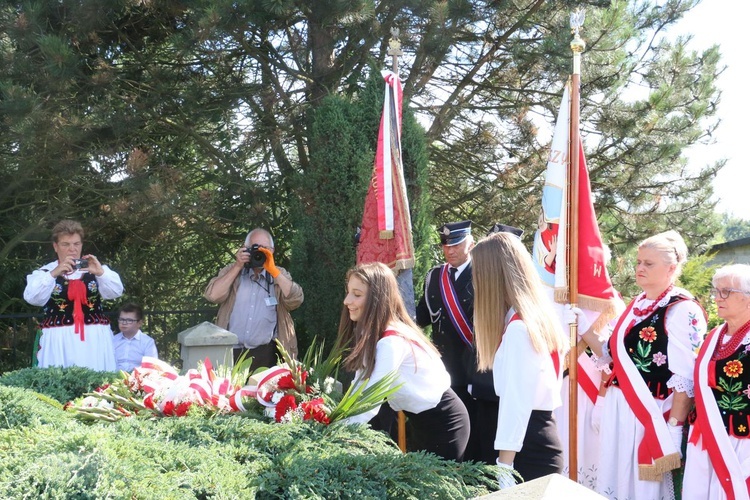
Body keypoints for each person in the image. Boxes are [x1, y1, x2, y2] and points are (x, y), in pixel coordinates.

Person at [596, 230, 706, 499]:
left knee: (640, 487)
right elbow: (614, 355)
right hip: (619, 408)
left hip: (650, 412)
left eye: (649, 263)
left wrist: (673, 428)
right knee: (614, 482)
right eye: (639, 262)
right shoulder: (636, 304)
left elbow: (686, 377)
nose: (640, 268)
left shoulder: (682, 309)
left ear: (671, 268)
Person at [338, 262, 470, 461]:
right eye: (348, 292)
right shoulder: (373, 334)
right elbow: (359, 387)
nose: (347, 301)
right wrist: (335, 420)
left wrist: (336, 434)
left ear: (377, 299)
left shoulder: (391, 342)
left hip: (444, 424)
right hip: (420, 423)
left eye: (357, 294)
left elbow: (370, 400)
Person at [471, 232, 569, 487]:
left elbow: (516, 403)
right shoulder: (531, 319)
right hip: (534, 439)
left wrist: (504, 467)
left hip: (526, 448)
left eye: (478, 273)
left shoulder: (519, 329)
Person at [416, 220, 487, 461]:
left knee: (474, 437)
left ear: (471, 244)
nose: (450, 250)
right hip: (442, 372)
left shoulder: (483, 275)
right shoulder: (435, 276)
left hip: (473, 373)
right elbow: (421, 319)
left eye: (456, 244)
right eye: (446, 245)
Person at [683, 264, 750, 500]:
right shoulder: (714, 335)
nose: (717, 297)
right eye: (716, 291)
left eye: (726, 292)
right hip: (705, 434)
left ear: (748, 298)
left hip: (740, 439)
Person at [23, 219, 123, 371]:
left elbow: (115, 292)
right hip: (58, 342)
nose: (72, 249)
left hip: (95, 340)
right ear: (55, 246)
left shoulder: (95, 269)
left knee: (98, 384)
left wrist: (101, 273)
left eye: (76, 244)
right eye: (66, 244)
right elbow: (32, 298)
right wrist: (54, 274)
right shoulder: (45, 273)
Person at [204, 228, 303, 370]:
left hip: (265, 352)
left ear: (272, 251)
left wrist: (273, 270)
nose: (259, 253)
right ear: (245, 249)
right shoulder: (233, 271)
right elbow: (212, 295)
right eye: (254, 248)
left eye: (265, 249)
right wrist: (238, 266)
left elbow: (296, 299)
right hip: (231, 351)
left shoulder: (278, 274)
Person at [112, 303, 158, 372]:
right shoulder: (113, 340)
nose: (124, 323)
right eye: (121, 319)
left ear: (139, 323)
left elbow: (151, 367)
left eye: (129, 320)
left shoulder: (147, 342)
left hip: (139, 379)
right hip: (114, 378)